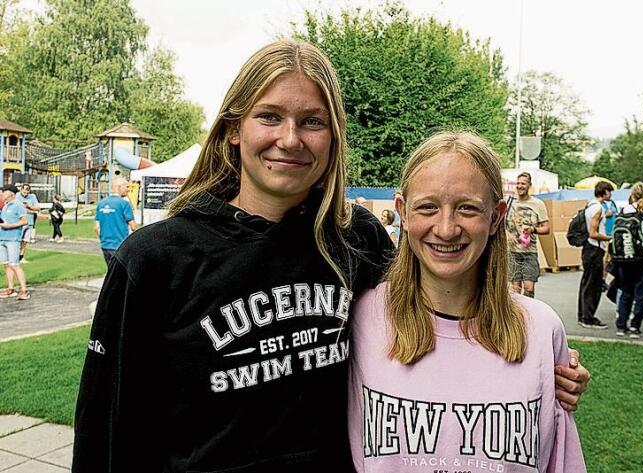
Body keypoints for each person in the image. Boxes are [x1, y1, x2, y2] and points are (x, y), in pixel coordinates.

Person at [71, 39, 593, 472]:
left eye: (312, 121)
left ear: (333, 136)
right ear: (234, 129)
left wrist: (542, 368)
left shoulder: (354, 238)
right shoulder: (156, 259)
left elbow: (431, 312)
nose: (289, 140)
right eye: (269, 117)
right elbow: (106, 429)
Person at [349, 131, 586, 472]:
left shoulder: (541, 331)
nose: (446, 229)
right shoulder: (361, 319)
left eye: (467, 208)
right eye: (428, 207)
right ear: (402, 210)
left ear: (496, 216)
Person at [615, 183, 643, 338]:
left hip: (626, 255)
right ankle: (635, 326)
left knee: (626, 291)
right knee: (642, 292)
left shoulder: (625, 210)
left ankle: (621, 325)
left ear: (632, 195)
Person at [506, 171, 549, 297]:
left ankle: (529, 313)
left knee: (529, 288)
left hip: (530, 252)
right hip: (512, 252)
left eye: (523, 183)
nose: (520, 186)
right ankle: (517, 316)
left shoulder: (537, 204)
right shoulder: (510, 203)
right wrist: (507, 234)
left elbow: (546, 228)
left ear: (530, 185)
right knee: (515, 289)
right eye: (518, 183)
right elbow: (499, 226)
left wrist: (533, 230)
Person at [577, 181, 613, 329]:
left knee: (586, 282)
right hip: (594, 249)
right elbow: (593, 233)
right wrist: (608, 238)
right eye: (609, 191)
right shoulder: (598, 208)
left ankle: (584, 314)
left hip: (588, 248)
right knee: (593, 284)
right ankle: (588, 317)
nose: (610, 194)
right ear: (604, 192)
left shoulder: (589, 205)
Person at [94, 177, 137, 265]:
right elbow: (133, 227)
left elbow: (96, 227)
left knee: (111, 271)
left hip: (105, 245)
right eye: (126, 187)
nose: (128, 190)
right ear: (119, 187)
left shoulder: (101, 203)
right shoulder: (124, 204)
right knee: (122, 274)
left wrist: (104, 239)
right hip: (120, 245)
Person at [0, 184, 30, 300]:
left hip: (13, 239)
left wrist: (10, 226)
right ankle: (10, 289)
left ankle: (24, 290)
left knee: (15, 264)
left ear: (11, 193)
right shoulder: (6, 205)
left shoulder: (18, 205)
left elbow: (24, 221)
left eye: (4, 191)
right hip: (2, 238)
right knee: (6, 264)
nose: (2, 193)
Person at [15, 183, 40, 263]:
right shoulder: (16, 196)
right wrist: (31, 211)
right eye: (24, 192)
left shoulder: (32, 196)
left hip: (29, 222)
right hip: (19, 222)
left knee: (25, 241)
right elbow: (16, 208)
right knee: (17, 241)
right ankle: (14, 257)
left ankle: (21, 257)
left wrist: (29, 206)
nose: (25, 194)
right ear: (21, 189)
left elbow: (38, 208)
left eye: (27, 192)